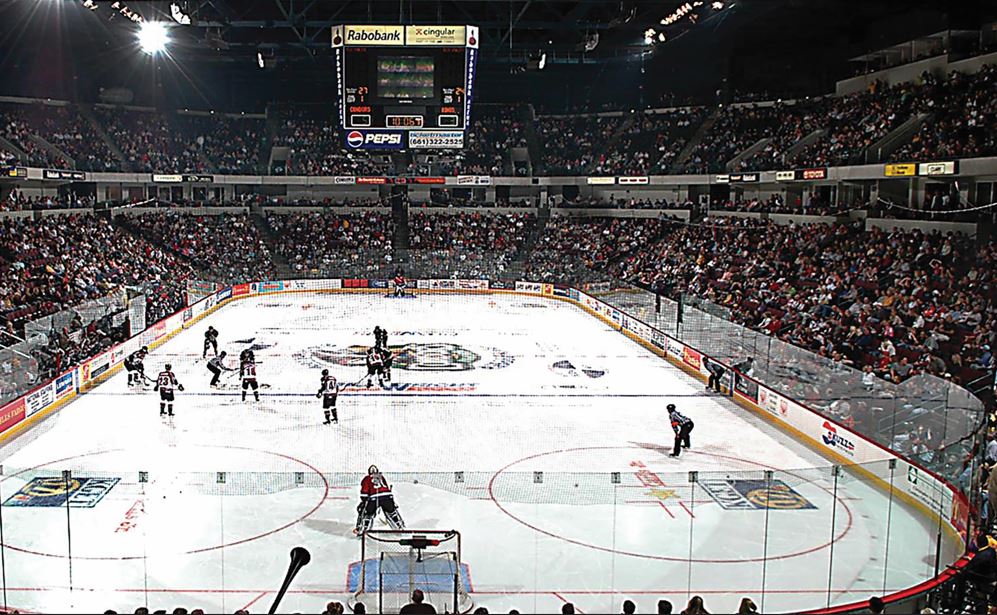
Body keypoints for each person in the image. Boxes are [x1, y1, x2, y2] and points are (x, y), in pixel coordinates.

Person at [354, 465, 405, 536]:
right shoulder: (381, 477)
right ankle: (400, 526)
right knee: (392, 512)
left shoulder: (366, 478)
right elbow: (386, 488)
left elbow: (364, 493)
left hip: (374, 498)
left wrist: (364, 502)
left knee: (367, 514)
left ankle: (364, 529)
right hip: (387, 497)